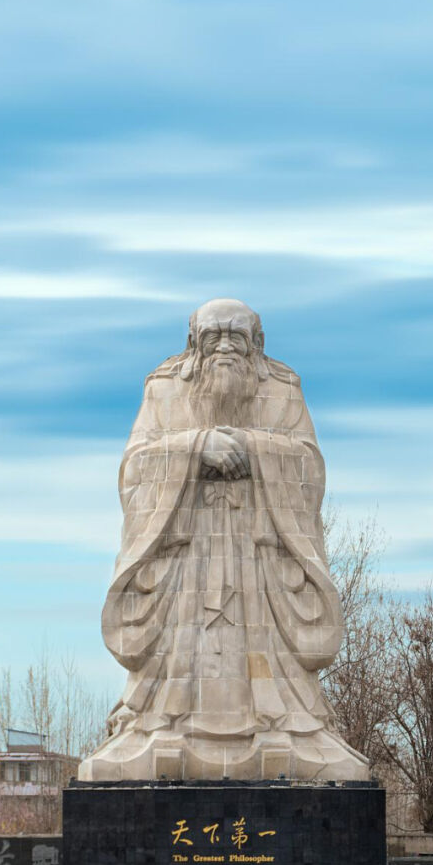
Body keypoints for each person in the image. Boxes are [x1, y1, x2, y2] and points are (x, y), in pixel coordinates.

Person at [79, 298, 369, 782]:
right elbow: (133, 470)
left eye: (238, 336)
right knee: (171, 684)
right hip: (185, 558)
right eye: (214, 336)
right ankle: (160, 723)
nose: (226, 346)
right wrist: (195, 448)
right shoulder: (164, 389)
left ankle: (285, 725)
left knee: (278, 683)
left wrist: (254, 450)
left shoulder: (283, 390)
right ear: (194, 343)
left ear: (257, 345)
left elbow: (310, 468)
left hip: (260, 560)